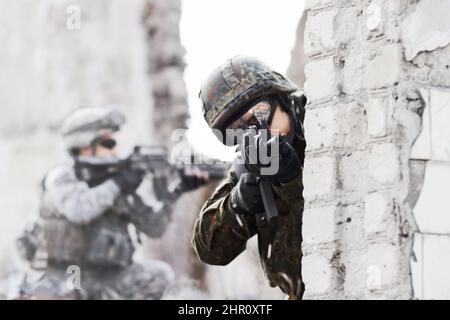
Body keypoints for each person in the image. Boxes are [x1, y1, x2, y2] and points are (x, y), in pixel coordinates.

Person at [17, 106, 205, 299]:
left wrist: (174, 193)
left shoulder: (117, 183)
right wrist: (119, 183)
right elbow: (80, 209)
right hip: (62, 276)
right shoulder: (62, 177)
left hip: (107, 277)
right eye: (109, 143)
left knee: (158, 275)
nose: (115, 149)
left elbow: (154, 227)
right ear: (84, 144)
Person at [191, 56, 307, 299]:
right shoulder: (249, 165)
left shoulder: (325, 133)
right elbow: (208, 248)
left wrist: (291, 181)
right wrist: (237, 203)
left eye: (260, 115)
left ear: (282, 100)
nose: (256, 132)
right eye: (238, 130)